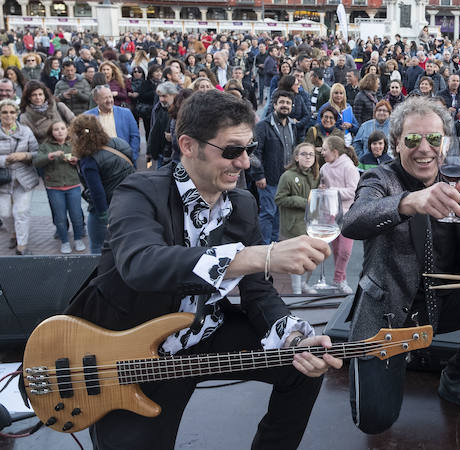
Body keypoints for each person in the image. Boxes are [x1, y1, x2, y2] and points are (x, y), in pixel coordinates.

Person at [65, 90, 341, 449]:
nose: (244, 163)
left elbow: (258, 291)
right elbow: (141, 264)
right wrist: (259, 256)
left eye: (249, 149)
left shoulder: (241, 203)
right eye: (231, 151)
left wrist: (293, 338)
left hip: (205, 334)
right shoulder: (139, 191)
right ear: (188, 145)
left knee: (302, 365)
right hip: (131, 354)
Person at [342, 97, 460, 433]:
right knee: (374, 422)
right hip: (389, 313)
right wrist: (408, 202)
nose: (424, 149)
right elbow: (354, 221)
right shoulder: (380, 180)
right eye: (413, 140)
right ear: (397, 142)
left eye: (433, 139)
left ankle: (457, 378)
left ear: (445, 142)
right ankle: (392, 363)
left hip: (442, 301)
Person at [70, 113, 135, 254]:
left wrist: (104, 217)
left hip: (107, 208)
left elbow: (97, 192)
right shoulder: (119, 143)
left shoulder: (88, 160)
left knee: (97, 247)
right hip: (129, 201)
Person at [251, 90, 303, 245]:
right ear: (274, 105)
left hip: (286, 180)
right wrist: (259, 175)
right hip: (269, 179)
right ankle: (265, 248)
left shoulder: (292, 126)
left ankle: (274, 246)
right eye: (282, 102)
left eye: (288, 103)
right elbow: (255, 153)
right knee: (268, 213)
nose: (285, 106)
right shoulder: (263, 126)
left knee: (280, 214)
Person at [33, 120, 86, 253]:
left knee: (76, 215)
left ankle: (78, 239)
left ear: (67, 130)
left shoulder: (73, 144)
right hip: (54, 187)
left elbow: (83, 159)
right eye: (56, 129)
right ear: (51, 132)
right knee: (60, 217)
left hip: (72, 185)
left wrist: (76, 160)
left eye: (63, 128)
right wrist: (50, 156)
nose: (60, 131)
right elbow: (37, 162)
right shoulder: (46, 146)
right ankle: (65, 241)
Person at [274, 142, 321, 294]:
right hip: (293, 225)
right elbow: (279, 199)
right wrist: (303, 202)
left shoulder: (315, 176)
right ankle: (296, 290)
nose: (307, 157)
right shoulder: (287, 176)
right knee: (297, 258)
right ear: (296, 157)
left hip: (310, 224)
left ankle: (303, 284)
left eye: (311, 154)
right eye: (303, 154)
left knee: (310, 257)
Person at [319, 135, 360, 294]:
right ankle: (341, 281)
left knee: (345, 251)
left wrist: (330, 192)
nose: (322, 152)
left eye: (324, 149)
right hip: (330, 214)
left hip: (348, 214)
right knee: (336, 251)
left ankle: (337, 279)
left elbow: (352, 191)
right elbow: (323, 187)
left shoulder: (349, 167)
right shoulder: (324, 168)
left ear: (335, 152)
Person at [0, 99, 39, 255]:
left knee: (21, 212)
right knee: (4, 214)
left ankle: (22, 246)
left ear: (16, 114)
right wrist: (5, 160)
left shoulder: (26, 131)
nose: (8, 115)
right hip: (2, 179)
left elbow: (37, 152)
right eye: (4, 112)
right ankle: (14, 233)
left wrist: (24, 155)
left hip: (23, 178)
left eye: (12, 112)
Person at [85, 85, 142, 163]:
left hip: (124, 160)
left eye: (110, 97)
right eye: (105, 98)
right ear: (96, 100)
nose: (109, 100)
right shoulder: (88, 116)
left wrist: (132, 156)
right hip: (100, 162)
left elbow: (135, 136)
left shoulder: (126, 113)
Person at [18, 80, 75, 145]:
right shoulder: (25, 117)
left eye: (40, 94)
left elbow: (75, 124)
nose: (38, 97)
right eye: (34, 95)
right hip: (45, 150)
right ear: (29, 98)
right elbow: (29, 140)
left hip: (67, 146)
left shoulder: (59, 106)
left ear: (45, 95)